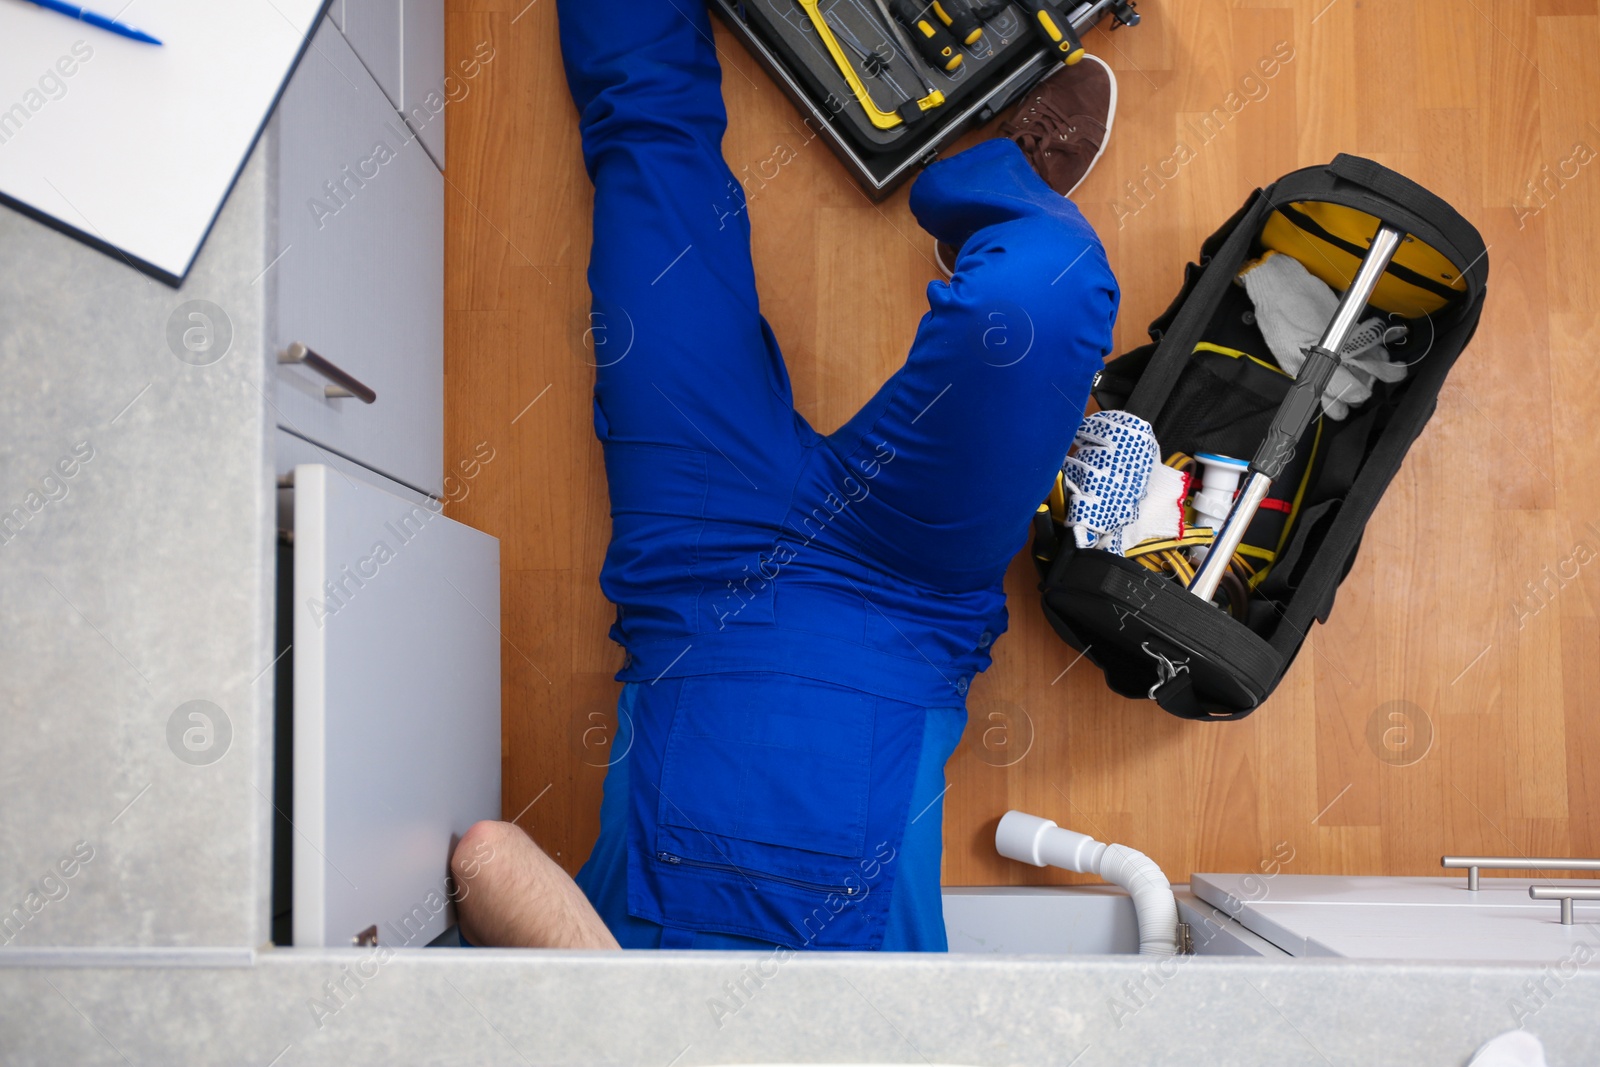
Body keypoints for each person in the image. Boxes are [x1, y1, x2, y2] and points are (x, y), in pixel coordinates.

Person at [451, 0, 1119, 952]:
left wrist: (613, 1027)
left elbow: (486, 857)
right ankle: (990, 186)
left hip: (696, 560)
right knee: (1042, 294)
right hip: (902, 596)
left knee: (645, 149)